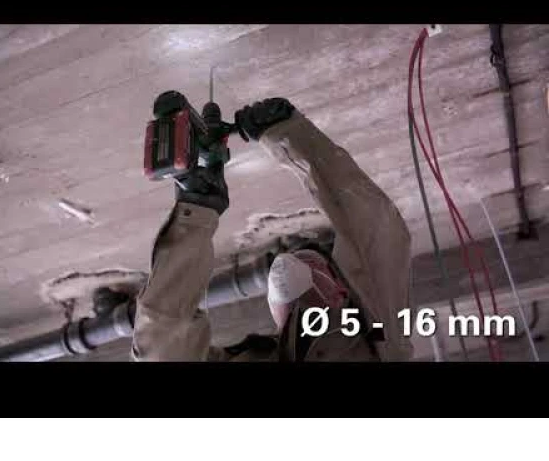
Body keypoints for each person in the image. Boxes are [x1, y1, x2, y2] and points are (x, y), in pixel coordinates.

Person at [131, 98, 412, 362]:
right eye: (321, 268)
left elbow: (160, 345)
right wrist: (288, 133)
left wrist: (195, 214)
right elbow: (375, 231)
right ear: (340, 292)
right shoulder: (383, 342)